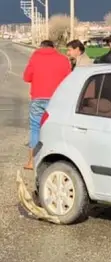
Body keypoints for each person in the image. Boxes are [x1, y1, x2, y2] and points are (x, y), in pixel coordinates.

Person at [22, 40, 72, 170]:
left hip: (38, 98)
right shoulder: (63, 59)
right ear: (53, 47)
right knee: (57, 129)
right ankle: (56, 161)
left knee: (35, 128)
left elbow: (26, 77)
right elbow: (69, 80)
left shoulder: (35, 58)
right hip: (57, 99)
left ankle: (32, 162)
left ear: (41, 47)